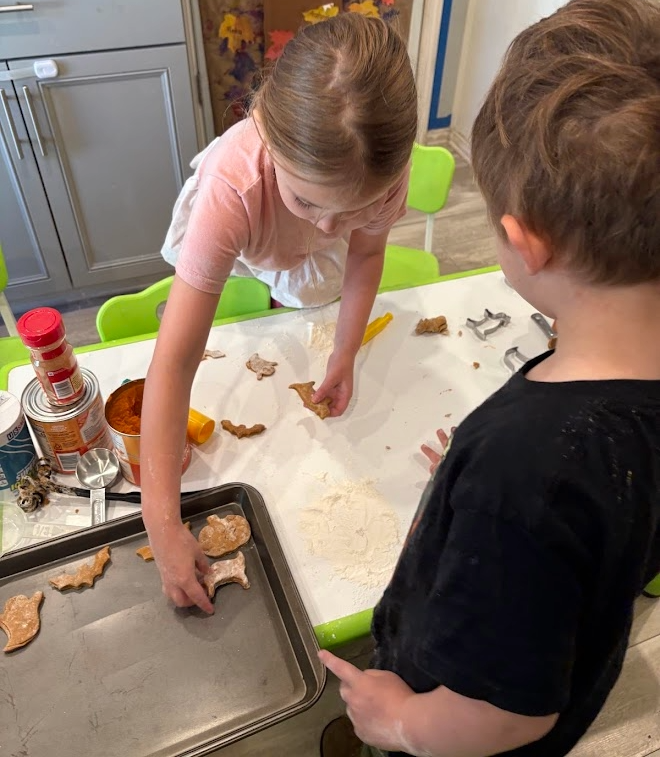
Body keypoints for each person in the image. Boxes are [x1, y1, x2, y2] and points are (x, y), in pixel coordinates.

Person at [319, 1, 660, 755]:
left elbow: (509, 712)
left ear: (520, 243)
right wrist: (478, 489)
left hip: (455, 720)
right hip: (573, 654)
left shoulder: (524, 470)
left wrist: (397, 720)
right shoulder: (558, 447)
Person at [140, 13, 417, 613]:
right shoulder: (232, 186)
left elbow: (365, 254)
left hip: (283, 224)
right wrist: (161, 521)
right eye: (308, 200)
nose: (328, 228)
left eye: (356, 206)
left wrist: (344, 351)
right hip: (247, 216)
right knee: (224, 291)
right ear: (264, 127)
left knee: (312, 267)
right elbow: (177, 355)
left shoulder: (381, 173)